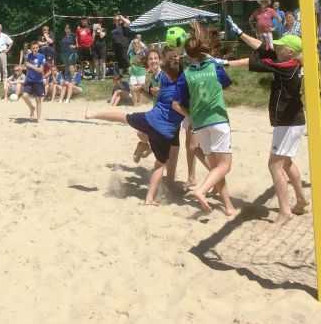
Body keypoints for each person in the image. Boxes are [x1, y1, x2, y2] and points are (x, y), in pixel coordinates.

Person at [227, 17, 309, 223]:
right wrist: (240, 34)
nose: (277, 48)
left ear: (289, 52)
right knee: (286, 162)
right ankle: (300, 200)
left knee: (274, 165)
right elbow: (264, 47)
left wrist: (226, 62)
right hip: (293, 120)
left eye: (281, 47)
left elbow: (253, 61)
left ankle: (285, 211)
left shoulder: (286, 66)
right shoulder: (290, 61)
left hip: (288, 121)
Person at [85, 46, 184, 205]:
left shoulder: (165, 74)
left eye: (155, 59)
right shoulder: (157, 76)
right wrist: (144, 91)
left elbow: (166, 92)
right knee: (156, 151)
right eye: (150, 59)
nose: (153, 61)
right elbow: (162, 96)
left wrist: (149, 89)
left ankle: (151, 158)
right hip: (162, 120)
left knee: (168, 155)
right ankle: (145, 149)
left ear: (161, 61)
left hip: (166, 121)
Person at [172, 36, 235, 215]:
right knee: (225, 166)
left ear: (188, 54)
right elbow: (228, 85)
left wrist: (190, 117)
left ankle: (229, 207)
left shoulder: (186, 74)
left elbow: (176, 104)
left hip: (199, 124)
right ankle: (202, 189)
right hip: (218, 120)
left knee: (216, 168)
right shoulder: (214, 67)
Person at [21, 41, 46, 121]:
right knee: (24, 96)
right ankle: (32, 108)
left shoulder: (41, 56)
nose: (35, 49)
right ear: (31, 49)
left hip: (38, 81)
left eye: (36, 48)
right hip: (29, 80)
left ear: (38, 48)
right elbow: (26, 67)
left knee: (38, 100)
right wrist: (23, 67)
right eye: (33, 48)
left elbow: (40, 70)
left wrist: (30, 66)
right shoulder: (28, 56)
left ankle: (38, 118)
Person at [128, 37, 147, 105]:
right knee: (132, 87)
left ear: (139, 44)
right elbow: (130, 62)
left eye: (137, 43)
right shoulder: (131, 53)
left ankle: (139, 102)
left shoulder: (143, 52)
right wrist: (130, 67)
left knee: (139, 89)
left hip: (141, 72)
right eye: (134, 43)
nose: (135, 44)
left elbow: (147, 50)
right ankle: (135, 104)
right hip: (133, 73)